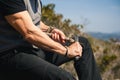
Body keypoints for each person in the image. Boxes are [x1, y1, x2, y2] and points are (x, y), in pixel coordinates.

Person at [0, 0, 102, 80]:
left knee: (82, 43)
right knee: (64, 78)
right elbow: (29, 32)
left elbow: (34, 22)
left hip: (32, 48)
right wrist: (66, 51)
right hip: (10, 55)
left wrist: (51, 29)